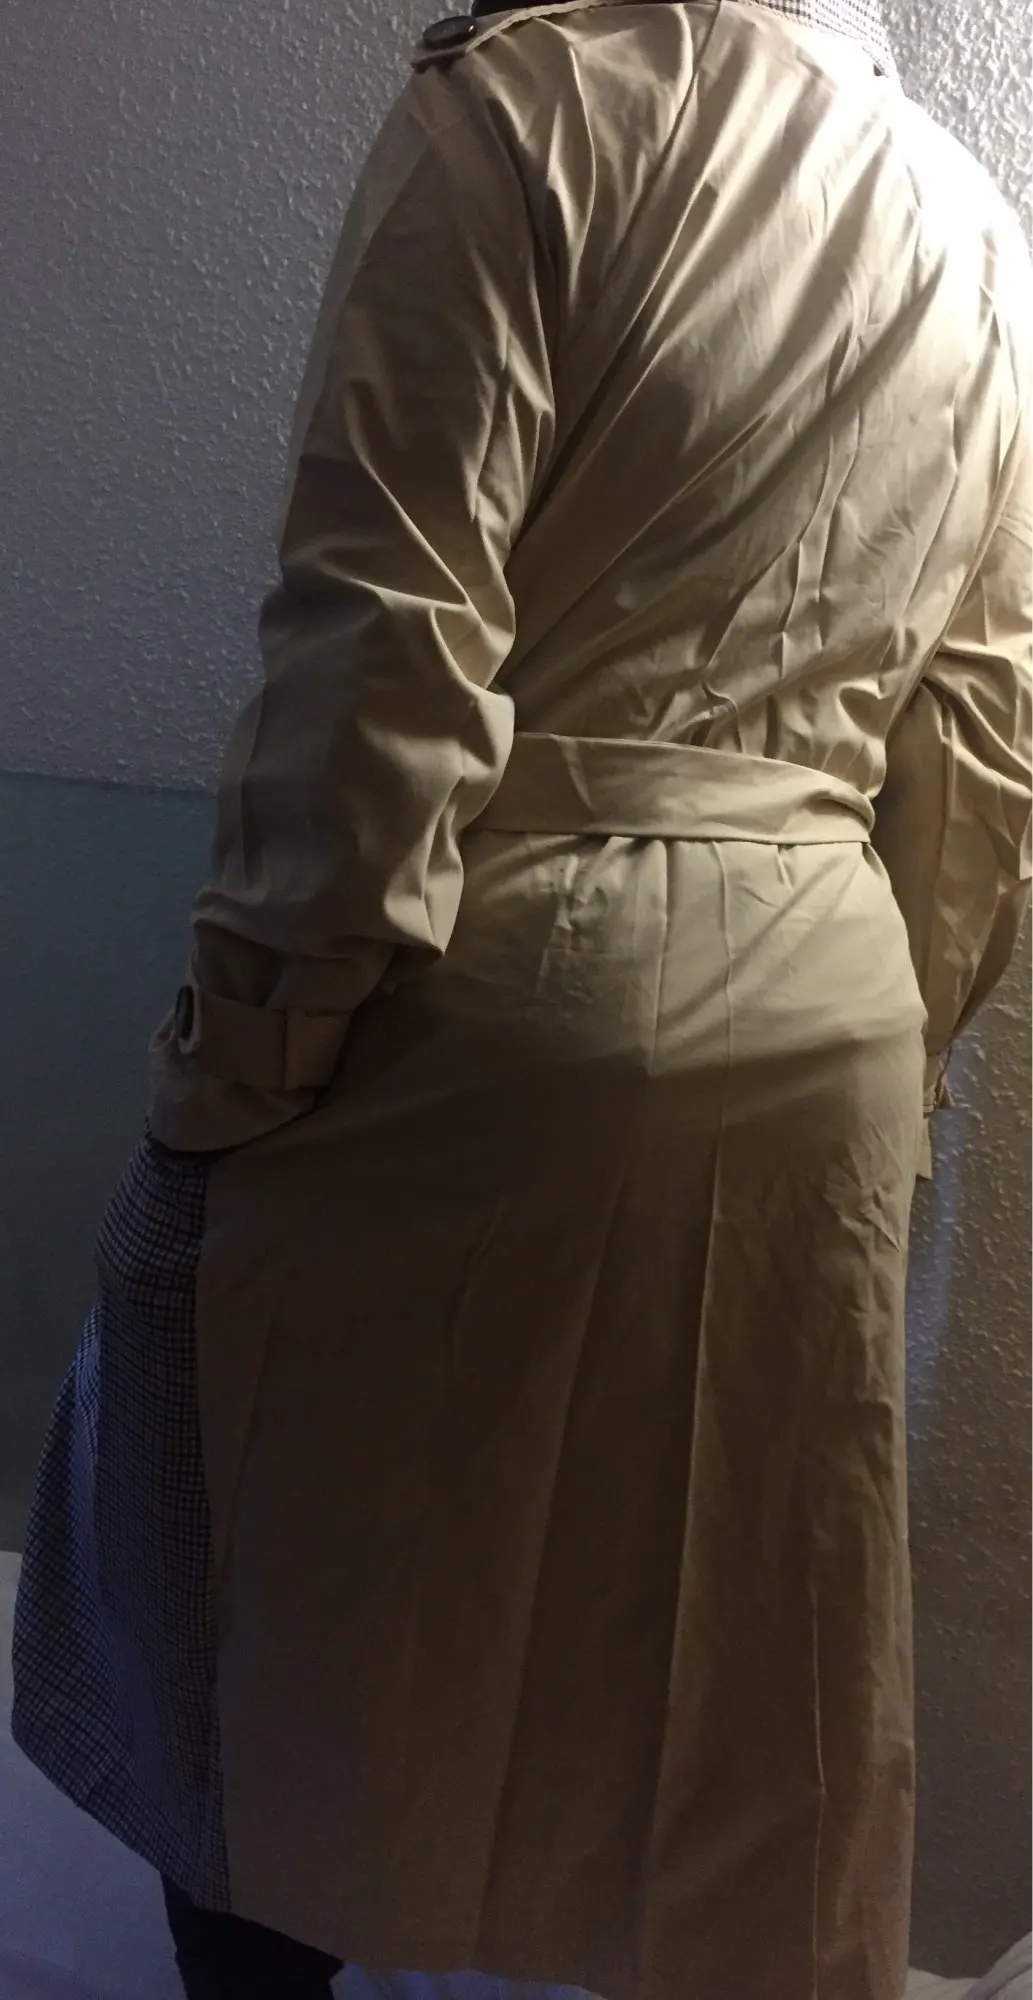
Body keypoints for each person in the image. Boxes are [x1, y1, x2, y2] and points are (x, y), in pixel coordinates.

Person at [12, 0, 1031, 1996]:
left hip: (492, 985)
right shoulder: (979, 232)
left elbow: (374, 658)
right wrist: (884, 1054)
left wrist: (242, 1057)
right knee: (722, 1696)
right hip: (820, 1029)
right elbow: (987, 749)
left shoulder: (532, 103)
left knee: (264, 1635)